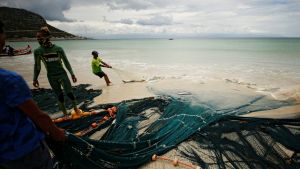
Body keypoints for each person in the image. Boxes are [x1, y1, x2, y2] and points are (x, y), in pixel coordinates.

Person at [0, 20, 66, 169]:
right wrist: (56, 132)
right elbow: (37, 116)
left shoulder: (56, 49)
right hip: (27, 150)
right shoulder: (9, 80)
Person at [33, 26, 81, 117]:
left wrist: (72, 74)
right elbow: (37, 66)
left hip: (62, 74)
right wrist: (35, 78)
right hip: (51, 76)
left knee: (69, 93)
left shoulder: (58, 49)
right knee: (60, 96)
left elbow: (66, 62)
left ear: (47, 37)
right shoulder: (38, 51)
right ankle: (65, 115)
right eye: (37, 38)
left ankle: (76, 109)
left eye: (40, 37)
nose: (38, 39)